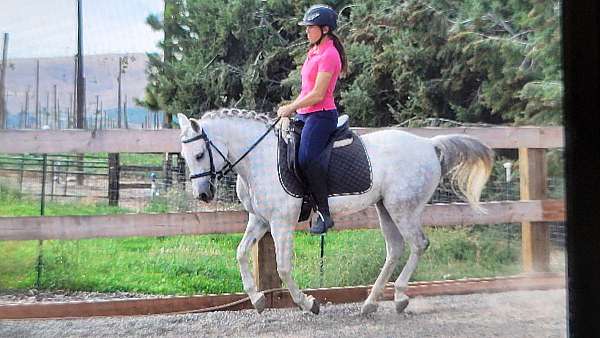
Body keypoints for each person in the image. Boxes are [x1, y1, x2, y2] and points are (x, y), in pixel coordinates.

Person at [277, 4, 347, 235]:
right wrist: (292, 108)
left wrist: (291, 107)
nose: (307, 31)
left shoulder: (330, 55)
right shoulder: (314, 51)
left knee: (306, 158)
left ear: (325, 29)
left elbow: (318, 94)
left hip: (322, 115)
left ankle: (325, 214)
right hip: (305, 114)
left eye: (311, 27)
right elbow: (306, 90)